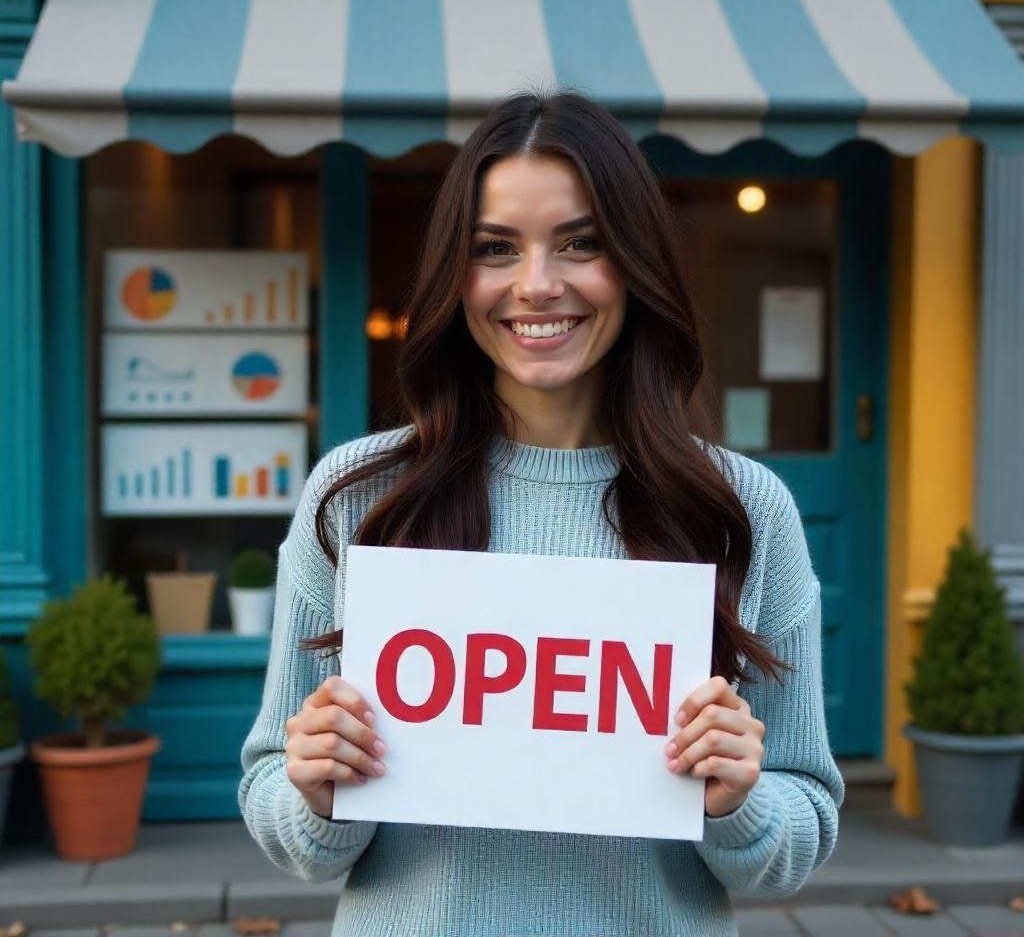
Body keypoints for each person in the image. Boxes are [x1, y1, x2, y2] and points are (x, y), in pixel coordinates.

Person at [238, 91, 844, 937]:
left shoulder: (741, 509)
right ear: (458, 272)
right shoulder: (361, 497)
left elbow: (804, 825)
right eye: (495, 248)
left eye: (579, 243)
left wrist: (739, 801)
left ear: (634, 262)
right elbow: (275, 797)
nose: (535, 285)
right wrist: (314, 789)